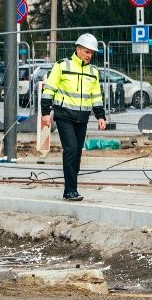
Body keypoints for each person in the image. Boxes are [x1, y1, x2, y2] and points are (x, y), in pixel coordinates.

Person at [39, 33, 107, 202]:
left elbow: (96, 96)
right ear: (78, 49)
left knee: (77, 154)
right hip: (64, 116)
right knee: (70, 150)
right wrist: (45, 113)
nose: (89, 55)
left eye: (91, 53)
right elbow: (49, 89)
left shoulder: (93, 72)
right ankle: (71, 190)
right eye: (86, 52)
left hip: (82, 118)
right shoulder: (62, 66)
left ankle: (69, 190)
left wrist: (100, 116)